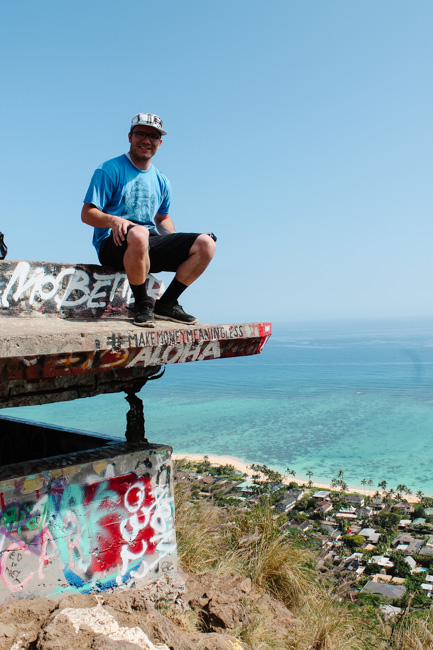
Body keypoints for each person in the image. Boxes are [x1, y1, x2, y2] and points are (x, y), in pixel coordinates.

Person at [81, 112, 216, 327]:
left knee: (206, 243)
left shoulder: (162, 180)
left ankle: (167, 304)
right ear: (130, 136)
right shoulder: (109, 169)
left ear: (160, 143)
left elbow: (162, 218)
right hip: (113, 244)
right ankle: (143, 305)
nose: (146, 140)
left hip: (147, 242)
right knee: (139, 232)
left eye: (153, 136)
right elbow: (87, 213)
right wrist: (114, 220)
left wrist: (175, 239)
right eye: (141, 134)